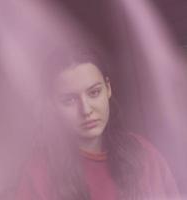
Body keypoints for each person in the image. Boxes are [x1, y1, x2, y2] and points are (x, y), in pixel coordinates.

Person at [14, 45, 181, 200]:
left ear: (108, 89)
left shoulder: (145, 156)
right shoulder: (38, 175)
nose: (86, 110)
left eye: (94, 93)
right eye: (69, 100)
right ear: (52, 105)